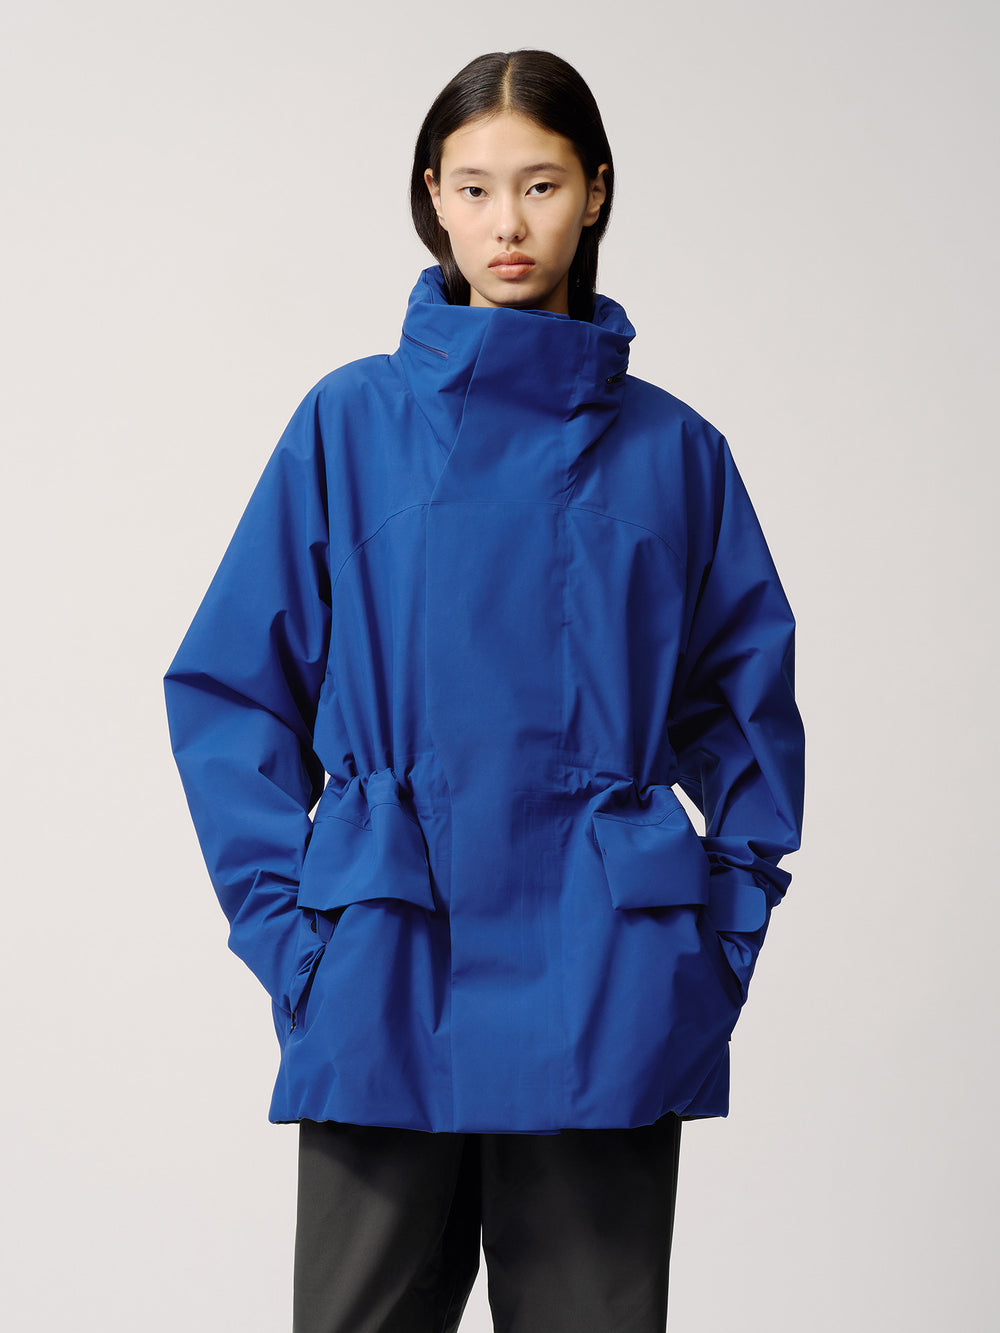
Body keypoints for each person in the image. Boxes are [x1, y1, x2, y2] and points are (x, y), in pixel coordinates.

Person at [164, 48, 805, 1333]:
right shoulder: (348, 424)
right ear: (433, 199)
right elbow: (232, 691)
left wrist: (710, 950)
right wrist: (298, 944)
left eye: (540, 184)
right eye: (473, 187)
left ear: (596, 192)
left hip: (607, 978)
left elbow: (747, 719)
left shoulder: (678, 453)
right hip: (384, 962)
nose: (507, 222)